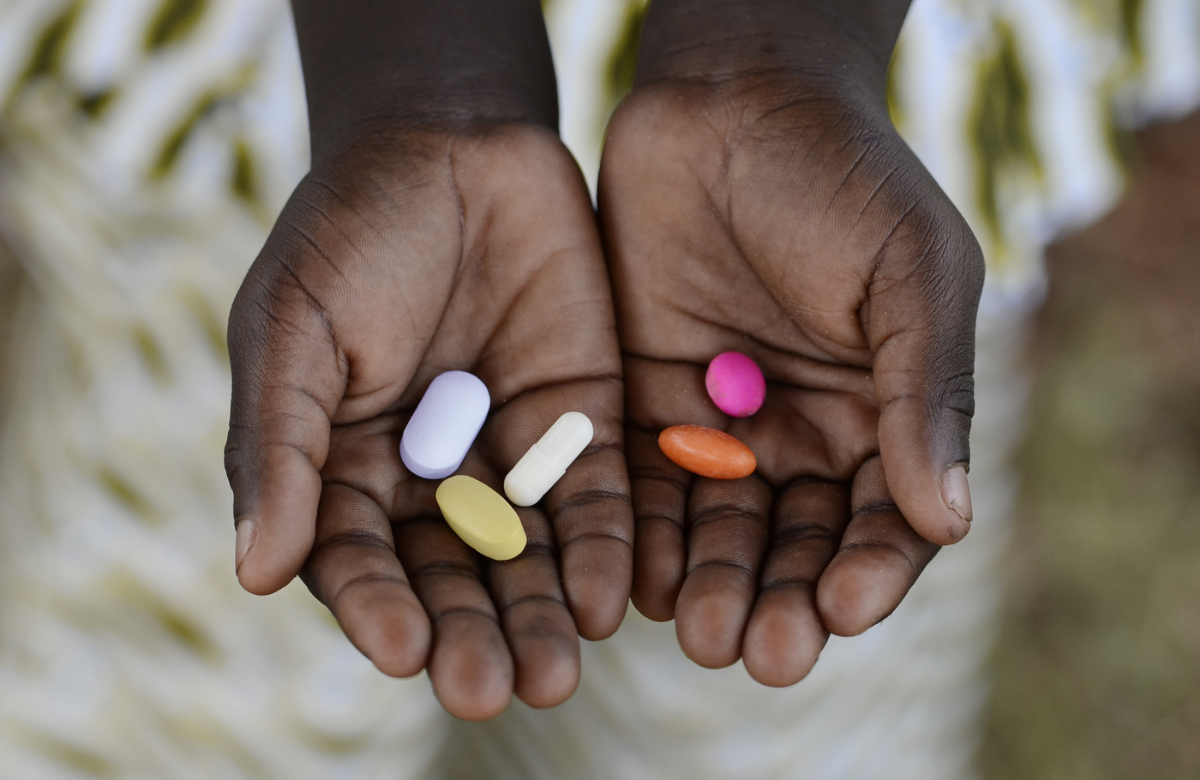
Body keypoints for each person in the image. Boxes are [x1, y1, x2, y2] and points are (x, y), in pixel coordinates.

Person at [1, 0, 1196, 777]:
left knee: (763, 717)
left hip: (838, 105)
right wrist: (429, 95)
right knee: (197, 695)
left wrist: (760, 55)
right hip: (286, 108)